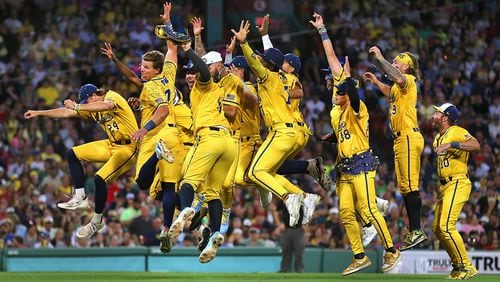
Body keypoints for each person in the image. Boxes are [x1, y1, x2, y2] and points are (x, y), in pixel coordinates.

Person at [100, 2, 183, 253]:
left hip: (156, 135)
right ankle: (167, 229)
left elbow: (162, 109)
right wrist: (168, 21)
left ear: (155, 69)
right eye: (142, 65)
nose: (141, 70)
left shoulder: (151, 86)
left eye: (146, 67)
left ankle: (156, 157)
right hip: (175, 135)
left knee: (143, 183)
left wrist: (144, 129)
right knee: (169, 187)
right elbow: (172, 46)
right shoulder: (168, 72)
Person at [310, 12, 388, 248]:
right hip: (346, 154)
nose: (327, 81)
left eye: (329, 78)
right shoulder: (335, 104)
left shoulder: (341, 81)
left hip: (359, 154)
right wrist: (334, 137)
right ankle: (372, 210)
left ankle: (376, 207)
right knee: (346, 203)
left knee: (361, 203)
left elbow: (330, 54)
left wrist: (322, 30)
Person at [24, 84, 138, 238]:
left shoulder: (112, 96)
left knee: (99, 178)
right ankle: (79, 196)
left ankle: (97, 220)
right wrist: (40, 113)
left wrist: (77, 106)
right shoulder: (91, 108)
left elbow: (106, 105)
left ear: (93, 95)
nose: (85, 105)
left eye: (86, 101)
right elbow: (66, 113)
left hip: (128, 148)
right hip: (111, 144)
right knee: (73, 153)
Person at [232, 20, 315, 228]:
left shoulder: (268, 77)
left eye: (263, 60)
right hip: (293, 132)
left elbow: (256, 61)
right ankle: (304, 196)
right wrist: (264, 35)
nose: (260, 60)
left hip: (281, 132)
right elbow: (271, 57)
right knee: (268, 172)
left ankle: (289, 198)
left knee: (254, 172)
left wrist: (244, 44)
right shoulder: (279, 77)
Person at [168, 39, 237, 264]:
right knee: (213, 193)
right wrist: (197, 39)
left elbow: (205, 69)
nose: (190, 75)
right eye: (186, 72)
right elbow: (209, 65)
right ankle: (216, 233)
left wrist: (187, 48)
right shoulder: (216, 88)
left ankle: (186, 211)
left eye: (192, 72)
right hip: (228, 143)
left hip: (209, 138)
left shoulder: (204, 83)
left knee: (188, 181)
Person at [363, 44, 427, 250]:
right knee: (405, 187)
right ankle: (414, 230)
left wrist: (381, 59)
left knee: (411, 185)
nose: (394, 64)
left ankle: (416, 230)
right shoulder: (399, 88)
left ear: (406, 67)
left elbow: (398, 78)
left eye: (397, 62)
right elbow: (391, 92)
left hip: (408, 136)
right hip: (401, 138)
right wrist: (376, 81)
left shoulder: (408, 80)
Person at [431, 103, 480, 279]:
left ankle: (467, 267)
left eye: (437, 112)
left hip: (458, 182)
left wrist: (451, 145)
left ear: (445, 117)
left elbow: (475, 145)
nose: (433, 115)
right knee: (437, 228)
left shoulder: (456, 131)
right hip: (444, 186)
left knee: (446, 226)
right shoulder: (437, 138)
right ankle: (458, 266)